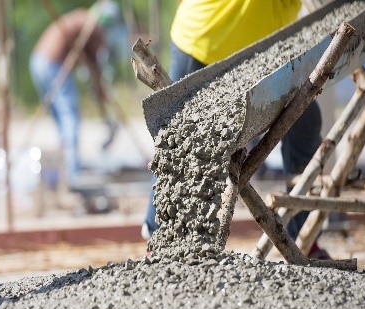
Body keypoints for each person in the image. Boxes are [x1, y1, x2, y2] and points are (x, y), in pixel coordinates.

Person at [141, 0, 330, 259]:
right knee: (181, 142)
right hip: (205, 40)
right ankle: (161, 239)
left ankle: (305, 237)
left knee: (304, 123)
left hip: (269, 50)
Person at [29, 1, 124, 188]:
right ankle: (72, 174)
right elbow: (95, 65)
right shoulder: (93, 27)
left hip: (38, 61)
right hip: (52, 63)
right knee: (69, 116)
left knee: (62, 122)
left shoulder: (82, 20)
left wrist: (100, 94)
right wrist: (103, 95)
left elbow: (91, 65)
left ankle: (64, 169)